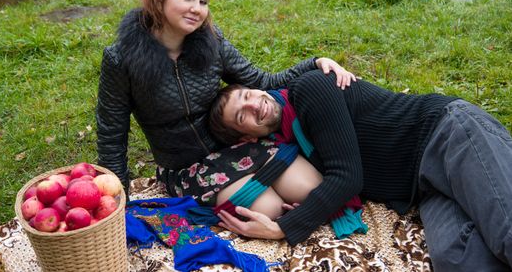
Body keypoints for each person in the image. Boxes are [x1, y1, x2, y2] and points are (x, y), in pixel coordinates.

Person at [95, 0, 356, 204]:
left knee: (310, 189)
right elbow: (112, 136)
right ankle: (246, 190)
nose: (196, 9)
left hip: (233, 148)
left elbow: (261, 81)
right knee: (270, 207)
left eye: (203, 1)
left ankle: (252, 183)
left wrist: (315, 63)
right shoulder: (121, 60)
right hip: (185, 167)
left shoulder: (212, 41)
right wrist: (118, 200)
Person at [209, 69, 512, 271]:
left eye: (247, 94)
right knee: (458, 258)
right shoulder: (289, 147)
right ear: (247, 138)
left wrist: (283, 228)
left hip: (448, 135)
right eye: (242, 114)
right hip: (423, 187)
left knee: (506, 232)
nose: (254, 104)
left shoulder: (309, 89)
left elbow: (347, 176)